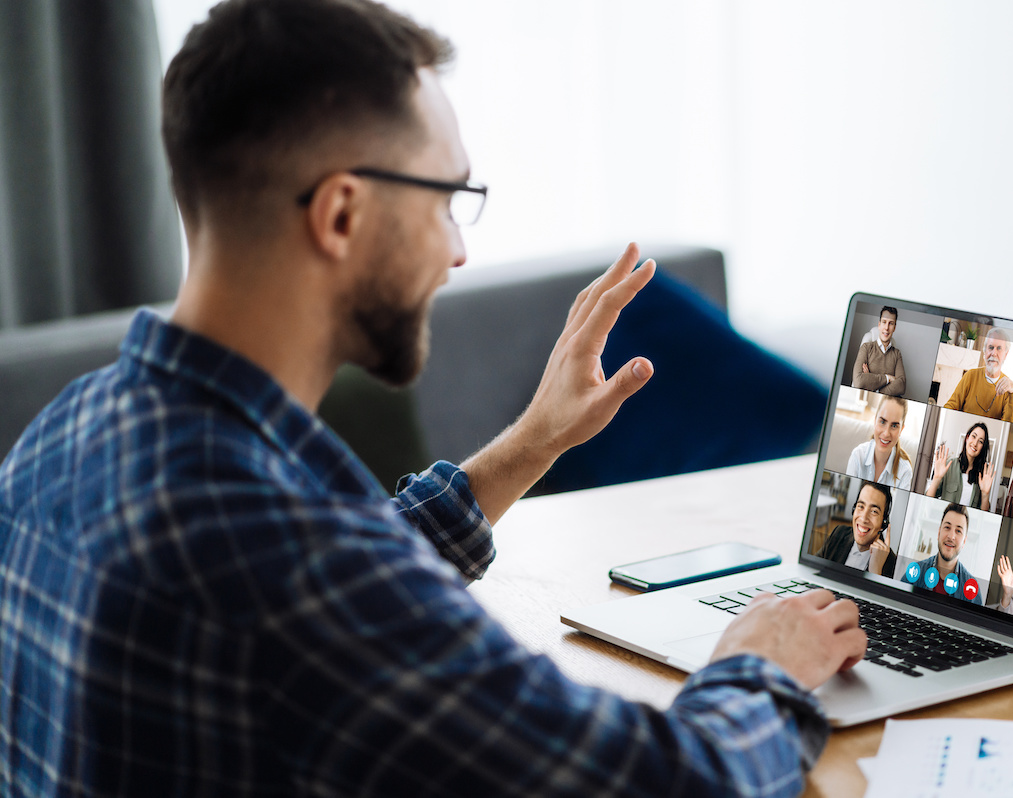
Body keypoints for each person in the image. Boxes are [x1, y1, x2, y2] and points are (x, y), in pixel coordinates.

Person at [0, 2, 866, 796]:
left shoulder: (62, 436)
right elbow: (672, 785)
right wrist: (765, 663)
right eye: (448, 200)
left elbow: (337, 573)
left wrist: (534, 441)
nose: (455, 252)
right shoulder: (303, 574)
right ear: (340, 215)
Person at [816, 481, 898, 578]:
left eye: (874, 511)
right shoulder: (839, 532)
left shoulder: (892, 563)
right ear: (853, 510)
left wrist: (876, 572)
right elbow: (813, 568)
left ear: (883, 523)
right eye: (861, 506)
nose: (863, 518)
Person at [909, 503, 984, 605]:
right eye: (947, 527)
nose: (951, 536)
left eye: (958, 531)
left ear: (964, 541)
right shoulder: (915, 572)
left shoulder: (972, 589)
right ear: (939, 532)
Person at [943, 328, 1013, 423]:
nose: (994, 353)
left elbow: (1010, 425)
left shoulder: (1008, 388)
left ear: (1005, 354)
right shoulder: (970, 375)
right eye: (990, 347)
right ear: (985, 351)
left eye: (999, 348)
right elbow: (951, 406)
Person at [846, 394, 914, 490]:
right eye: (882, 422)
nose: (886, 433)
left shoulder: (905, 471)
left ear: (901, 430)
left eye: (894, 426)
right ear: (875, 421)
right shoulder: (857, 456)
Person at [925, 421, 996, 509]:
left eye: (980, 441)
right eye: (973, 436)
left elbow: (984, 514)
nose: (975, 443)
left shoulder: (982, 476)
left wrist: (985, 495)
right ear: (967, 438)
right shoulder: (949, 465)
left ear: (983, 447)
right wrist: (936, 478)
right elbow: (927, 501)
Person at [851, 305, 906, 396]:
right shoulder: (866, 348)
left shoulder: (897, 354)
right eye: (884, 322)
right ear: (879, 325)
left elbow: (901, 386)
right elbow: (859, 381)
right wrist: (888, 378)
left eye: (891, 323)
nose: (887, 328)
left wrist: (873, 386)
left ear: (894, 328)